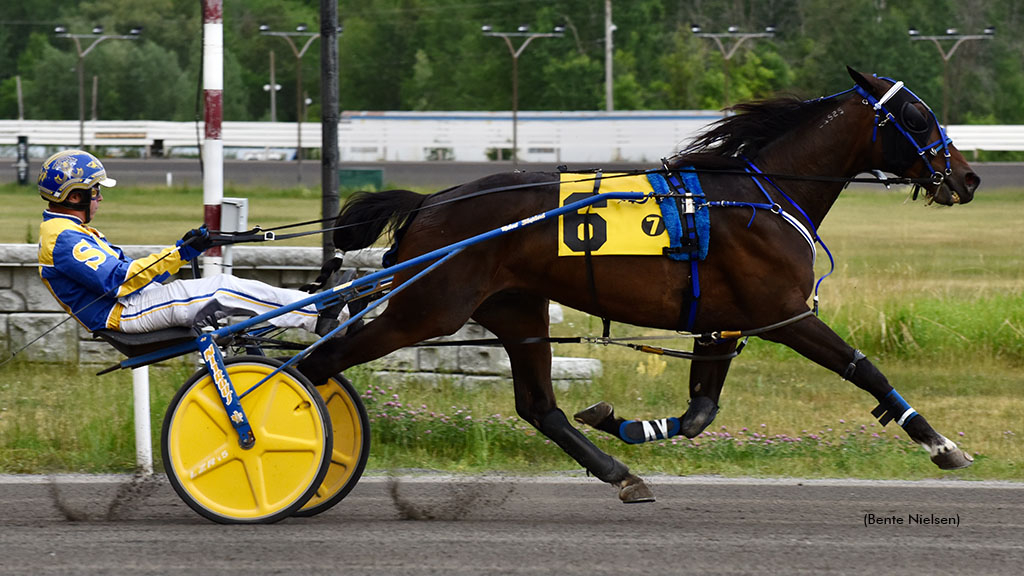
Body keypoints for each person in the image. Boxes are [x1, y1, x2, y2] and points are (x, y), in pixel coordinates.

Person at [36, 149, 347, 336]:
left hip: (135, 302)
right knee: (223, 289)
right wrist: (179, 252)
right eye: (95, 191)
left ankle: (320, 306)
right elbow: (120, 281)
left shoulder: (67, 231)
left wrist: (185, 251)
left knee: (228, 285)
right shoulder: (63, 238)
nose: (100, 197)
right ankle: (318, 317)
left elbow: (130, 278)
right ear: (74, 196)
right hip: (124, 313)